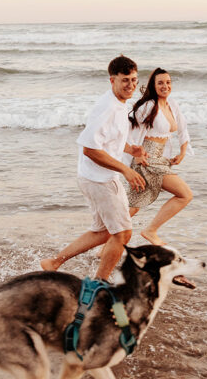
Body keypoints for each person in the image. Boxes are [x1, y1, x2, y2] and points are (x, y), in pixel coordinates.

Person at [40, 55, 148, 281]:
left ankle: (53, 263)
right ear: (112, 80)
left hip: (93, 177)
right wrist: (126, 170)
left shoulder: (118, 104)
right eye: (125, 80)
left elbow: (107, 140)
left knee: (103, 232)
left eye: (134, 80)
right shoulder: (108, 108)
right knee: (122, 233)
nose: (131, 85)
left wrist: (130, 149)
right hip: (101, 180)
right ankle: (100, 282)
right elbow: (90, 148)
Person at [125, 68, 193, 246]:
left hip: (160, 158)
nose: (165, 86)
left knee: (132, 207)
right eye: (160, 83)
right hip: (147, 159)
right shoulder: (148, 106)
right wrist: (136, 155)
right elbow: (127, 131)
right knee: (185, 194)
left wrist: (183, 152)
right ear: (153, 86)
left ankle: (103, 247)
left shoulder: (172, 104)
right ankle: (150, 230)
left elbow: (183, 129)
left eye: (168, 82)